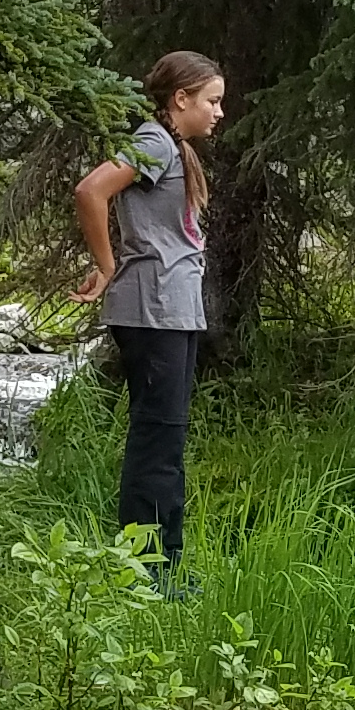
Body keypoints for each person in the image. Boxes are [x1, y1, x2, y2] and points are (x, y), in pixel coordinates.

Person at [72, 52, 222, 564]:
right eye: (212, 101)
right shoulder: (155, 142)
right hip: (153, 309)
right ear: (181, 100)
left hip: (172, 309)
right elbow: (92, 191)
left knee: (165, 439)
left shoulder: (172, 145)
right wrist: (107, 263)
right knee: (158, 443)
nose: (219, 112)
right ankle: (150, 570)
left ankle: (163, 561)